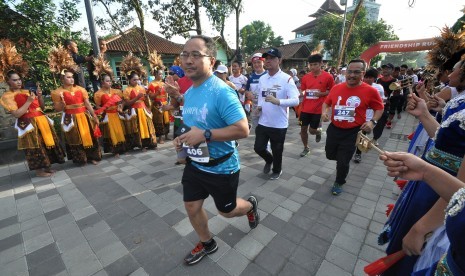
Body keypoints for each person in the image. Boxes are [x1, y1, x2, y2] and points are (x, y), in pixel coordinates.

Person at [171, 35, 259, 265]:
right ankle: (208, 243)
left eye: (195, 55)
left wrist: (206, 135)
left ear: (211, 60)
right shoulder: (190, 93)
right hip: (196, 164)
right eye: (185, 54)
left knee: (226, 212)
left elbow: (243, 129)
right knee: (191, 205)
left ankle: (250, 206)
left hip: (222, 167)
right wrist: (182, 139)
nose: (188, 60)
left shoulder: (222, 91)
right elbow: (194, 125)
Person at [377, 57, 465, 275]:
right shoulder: (461, 97)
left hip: (443, 194)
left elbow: (461, 190)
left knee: (414, 255)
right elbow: (445, 142)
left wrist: (423, 226)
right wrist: (425, 114)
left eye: (454, 69)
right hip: (433, 180)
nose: (450, 74)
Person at [380, 151, 465, 276]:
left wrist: (422, 227)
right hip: (439, 187)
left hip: (440, 201)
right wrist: (425, 171)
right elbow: (461, 196)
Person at [0, 41, 65, 176]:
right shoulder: (8, 96)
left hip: (41, 120)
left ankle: (47, 166)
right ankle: (39, 171)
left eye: (19, 79)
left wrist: (39, 97)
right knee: (34, 147)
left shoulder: (27, 91)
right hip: (28, 123)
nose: (18, 82)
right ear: (8, 81)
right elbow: (17, 114)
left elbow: (41, 107)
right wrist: (29, 102)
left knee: (46, 144)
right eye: (14, 80)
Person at [321, 59, 384, 195]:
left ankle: (339, 181)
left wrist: (372, 122)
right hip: (334, 129)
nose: (352, 75)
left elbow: (379, 108)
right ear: (346, 72)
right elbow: (326, 103)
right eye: (349, 71)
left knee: (343, 161)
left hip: (353, 132)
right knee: (330, 154)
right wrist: (324, 112)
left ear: (363, 73)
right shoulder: (337, 88)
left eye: (357, 72)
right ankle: (341, 159)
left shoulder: (370, 91)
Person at [49, 47, 101, 165]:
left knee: (88, 135)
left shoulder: (81, 89)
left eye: (72, 77)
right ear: (62, 78)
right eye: (68, 77)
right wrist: (62, 104)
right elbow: (57, 108)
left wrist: (94, 116)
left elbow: (87, 104)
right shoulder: (57, 92)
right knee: (75, 138)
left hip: (84, 116)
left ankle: (92, 157)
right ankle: (80, 159)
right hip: (70, 118)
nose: (71, 79)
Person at [254, 48, 300, 180]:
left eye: (271, 58)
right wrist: (259, 107)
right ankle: (269, 160)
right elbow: (262, 97)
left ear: (279, 60)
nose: (267, 61)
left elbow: (296, 100)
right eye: (266, 59)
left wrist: (278, 101)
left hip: (279, 124)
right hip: (263, 121)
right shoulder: (263, 79)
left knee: (277, 150)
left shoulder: (287, 79)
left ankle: (277, 170)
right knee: (258, 148)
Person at [298, 54, 335, 157]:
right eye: (311, 65)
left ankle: (318, 131)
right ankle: (306, 148)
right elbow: (303, 89)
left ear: (321, 64)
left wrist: (322, 94)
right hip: (305, 108)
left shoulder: (328, 76)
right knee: (303, 130)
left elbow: (333, 91)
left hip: (318, 109)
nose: (313, 67)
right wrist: (301, 93)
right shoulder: (305, 77)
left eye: (315, 64)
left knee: (312, 131)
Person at [120, 53, 157, 151]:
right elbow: (127, 103)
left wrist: (148, 106)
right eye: (134, 79)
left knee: (147, 126)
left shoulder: (141, 88)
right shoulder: (127, 90)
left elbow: (146, 99)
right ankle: (141, 145)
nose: (136, 81)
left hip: (143, 109)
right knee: (138, 128)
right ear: (129, 80)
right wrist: (137, 98)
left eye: (137, 79)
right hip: (134, 111)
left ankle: (150, 143)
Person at [92, 56, 127, 156]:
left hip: (117, 113)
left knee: (120, 131)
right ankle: (115, 151)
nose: (110, 82)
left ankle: (122, 148)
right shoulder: (98, 94)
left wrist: (120, 107)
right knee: (112, 133)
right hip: (108, 115)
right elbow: (98, 106)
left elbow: (121, 102)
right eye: (107, 81)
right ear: (102, 82)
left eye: (110, 80)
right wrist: (103, 109)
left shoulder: (116, 91)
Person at [353, 67, 385, 163]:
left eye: (370, 77)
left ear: (374, 78)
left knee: (363, 135)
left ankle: (358, 153)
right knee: (354, 135)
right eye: (366, 77)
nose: (367, 79)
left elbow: (380, 103)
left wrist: (374, 119)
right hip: (356, 115)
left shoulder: (378, 88)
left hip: (368, 117)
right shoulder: (356, 86)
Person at [148, 69, 170, 144]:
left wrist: (167, 101)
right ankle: (160, 138)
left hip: (164, 102)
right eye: (160, 74)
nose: (161, 75)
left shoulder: (163, 83)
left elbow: (166, 94)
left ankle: (166, 135)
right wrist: (157, 92)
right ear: (155, 74)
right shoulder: (152, 84)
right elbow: (151, 96)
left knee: (166, 119)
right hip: (157, 104)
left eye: (162, 74)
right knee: (159, 120)